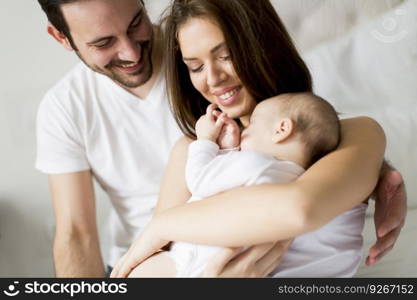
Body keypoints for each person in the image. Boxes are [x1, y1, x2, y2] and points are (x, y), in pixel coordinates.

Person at [36, 0, 406, 277]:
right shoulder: (190, 149)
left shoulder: (358, 130)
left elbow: (300, 209)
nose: (211, 80)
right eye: (194, 66)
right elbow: (105, 249)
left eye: (226, 56)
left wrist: (163, 226)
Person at [112, 93, 368, 278]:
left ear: (281, 129)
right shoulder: (300, 177)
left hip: (191, 259)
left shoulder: (254, 163)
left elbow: (202, 180)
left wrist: (205, 142)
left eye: (252, 125)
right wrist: (232, 150)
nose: (244, 132)